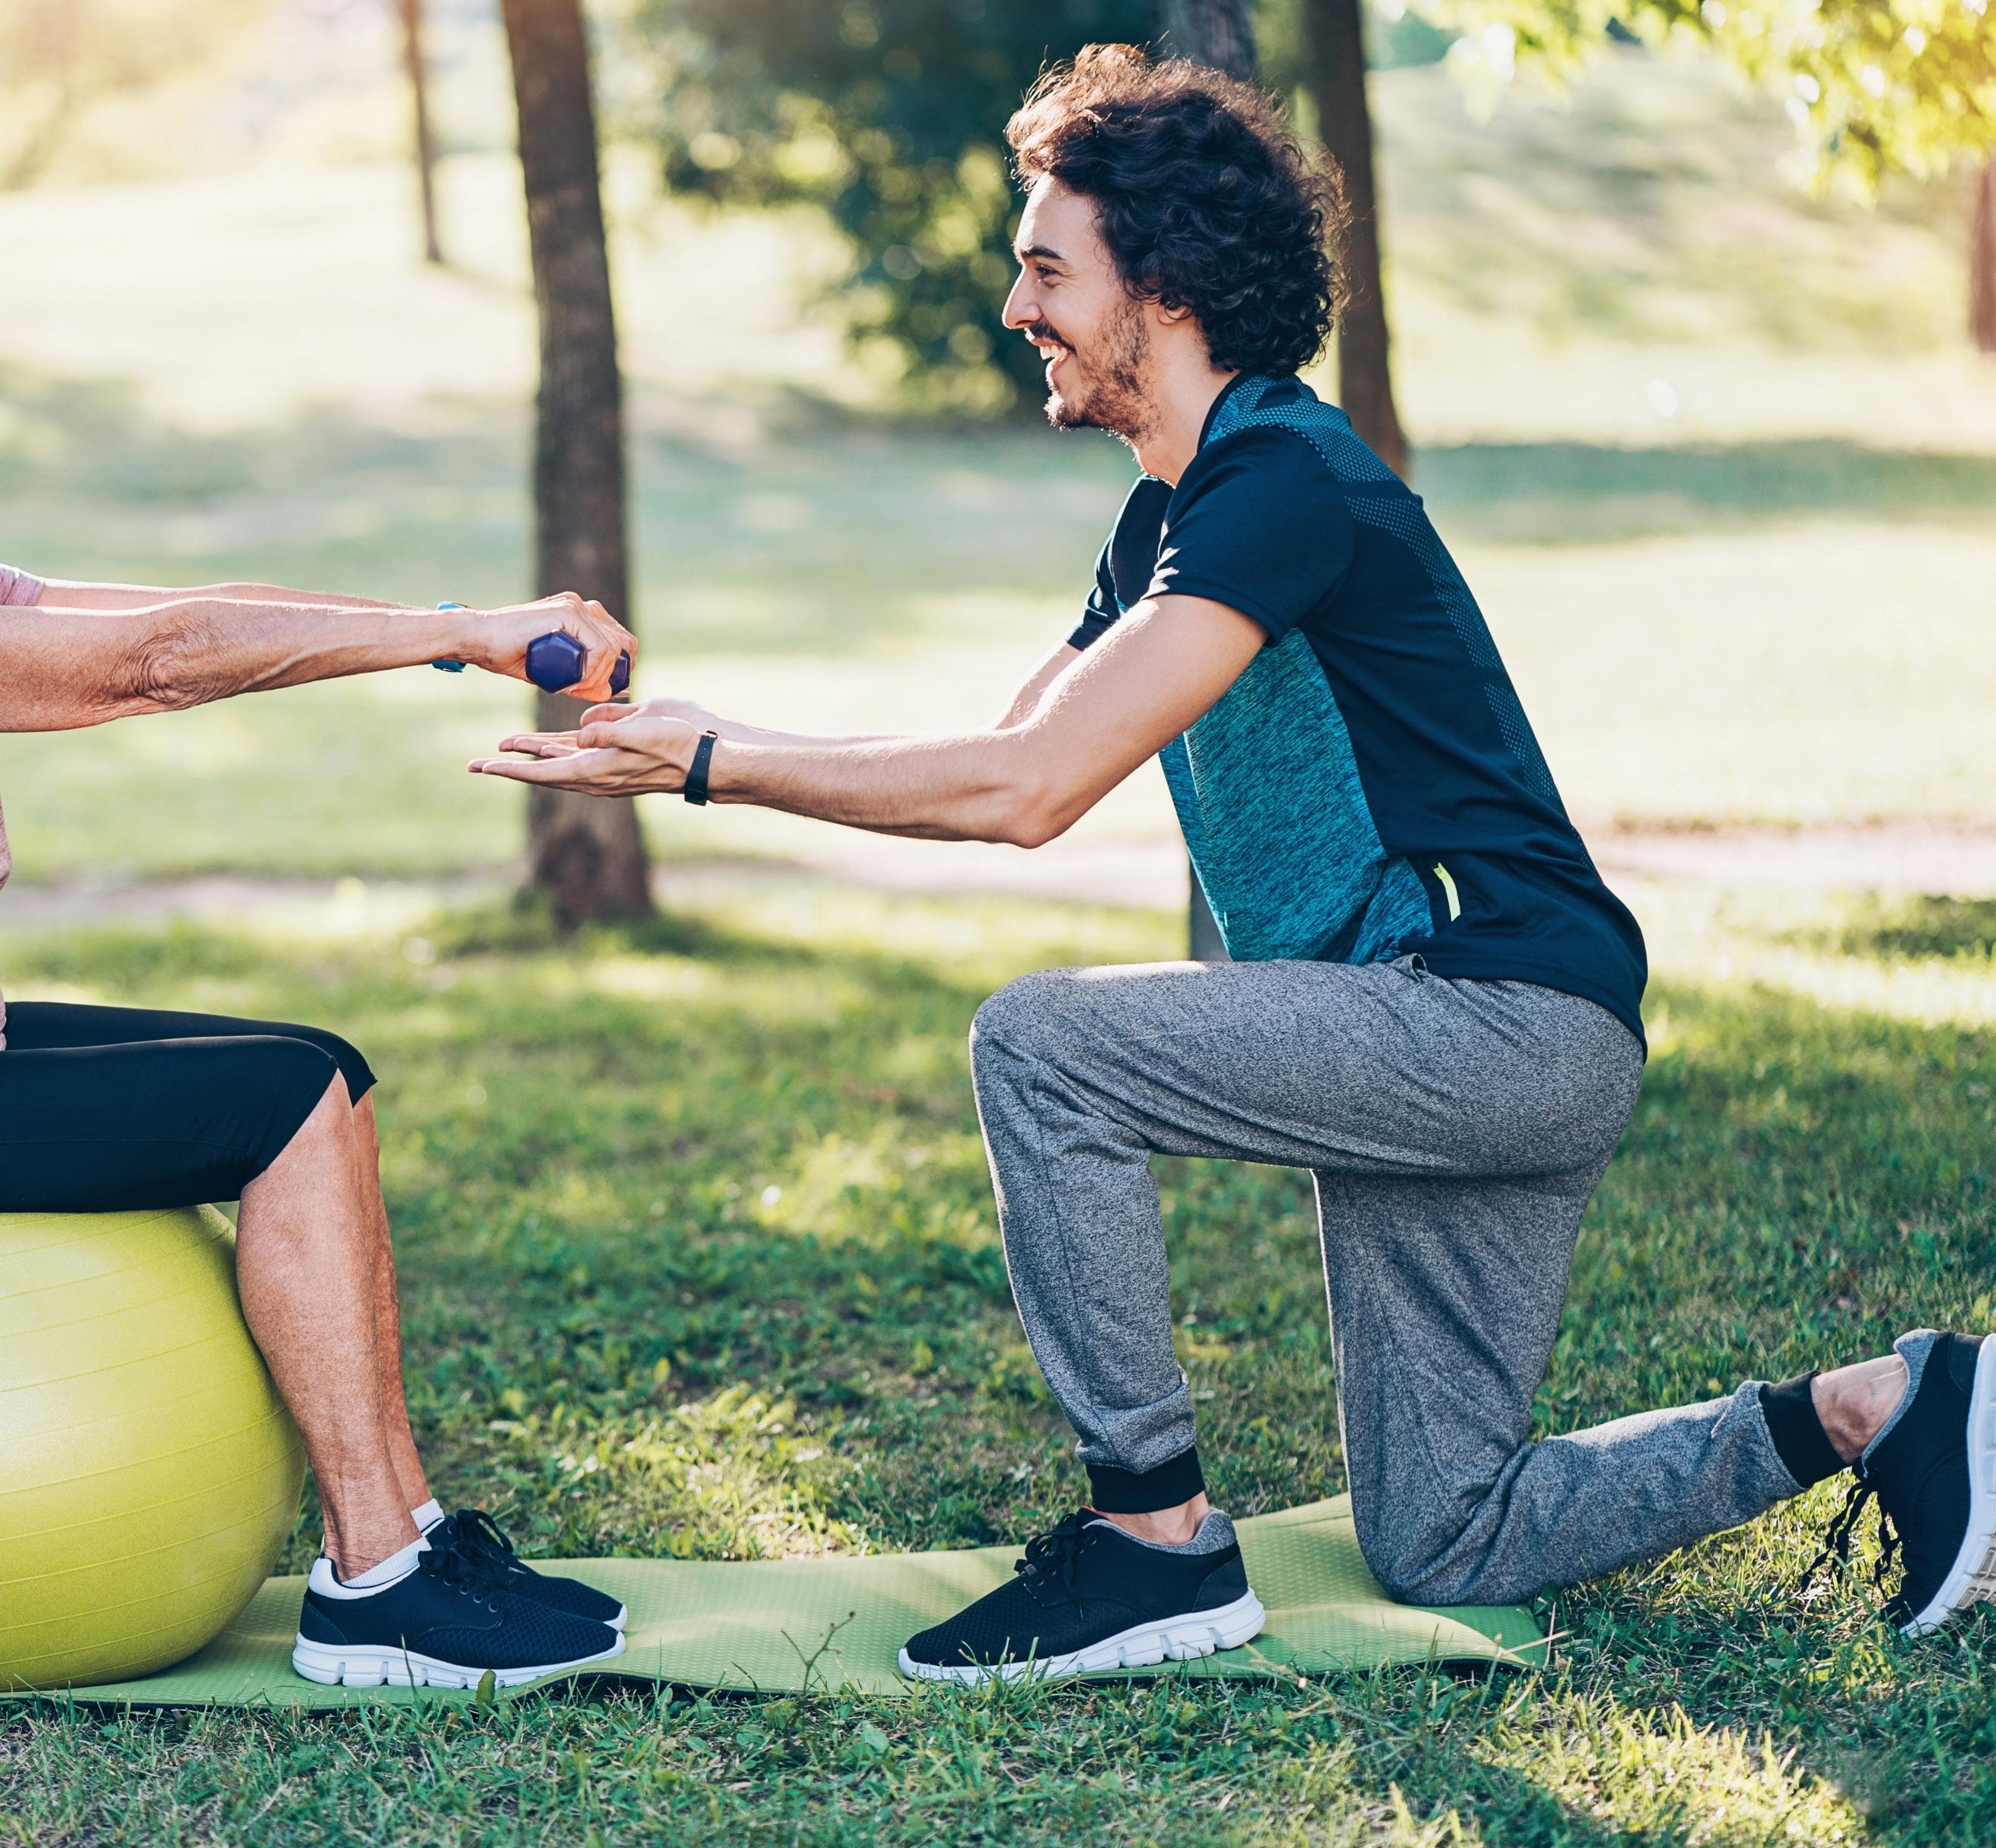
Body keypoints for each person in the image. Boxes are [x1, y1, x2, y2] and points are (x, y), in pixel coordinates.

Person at [472, 50, 1993, 1681]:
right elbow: (1001, 751)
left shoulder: (1286, 483)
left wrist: (711, 762)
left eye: (1047, 268)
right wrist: (716, 742)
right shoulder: (1170, 520)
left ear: (1171, 288)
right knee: (1446, 1534)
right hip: (1447, 1025)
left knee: (1042, 1049)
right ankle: (1893, 1408)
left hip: (1495, 1015)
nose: (1014, 307)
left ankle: (1153, 1543)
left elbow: (1029, 794)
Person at [0, 317, 632, 1689]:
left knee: (327, 1068)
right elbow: (154, 663)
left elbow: (178, 611)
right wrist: (474, 632)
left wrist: (458, 641)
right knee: (281, 1105)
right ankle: (370, 1591)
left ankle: (411, 1534)